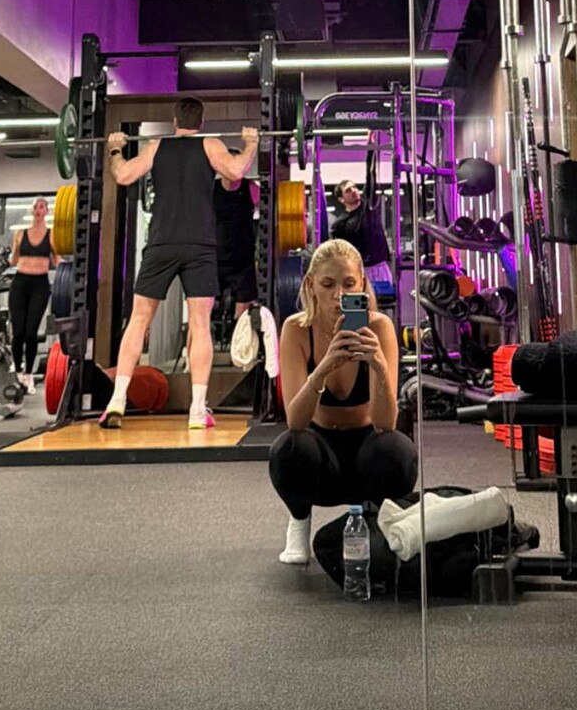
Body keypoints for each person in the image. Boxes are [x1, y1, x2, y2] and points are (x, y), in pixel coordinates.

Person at [101, 98, 258, 431]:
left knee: (138, 320)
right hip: (200, 246)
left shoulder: (158, 146)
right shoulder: (210, 145)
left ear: (175, 121)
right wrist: (251, 143)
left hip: (161, 243)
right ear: (201, 122)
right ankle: (197, 410)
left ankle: (117, 400)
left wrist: (115, 149)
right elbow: (236, 171)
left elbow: (124, 175)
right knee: (200, 324)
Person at [268, 236, 418, 566]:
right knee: (289, 448)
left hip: (367, 453)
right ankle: (299, 520)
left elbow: (385, 423)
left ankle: (376, 517)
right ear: (311, 285)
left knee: (396, 450)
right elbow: (295, 420)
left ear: (362, 283)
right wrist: (323, 369)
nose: (339, 295)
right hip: (322, 458)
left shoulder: (379, 327)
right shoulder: (297, 329)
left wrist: (378, 366)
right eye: (328, 284)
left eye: (349, 284)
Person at [8, 196, 57, 390]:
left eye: (42, 207)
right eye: (36, 207)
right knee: (18, 332)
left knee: (31, 332)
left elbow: (57, 260)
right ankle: (17, 371)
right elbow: (13, 259)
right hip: (20, 283)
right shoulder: (20, 234)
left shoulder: (52, 235)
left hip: (40, 285)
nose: (38, 210)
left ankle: (29, 374)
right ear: (32, 210)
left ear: (47, 211)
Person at [213, 165, 259, 318]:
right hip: (215, 260)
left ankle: (239, 331)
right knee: (204, 308)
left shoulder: (251, 188)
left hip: (242, 262)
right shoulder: (211, 189)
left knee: (244, 314)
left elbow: (272, 207)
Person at [330, 178, 390, 270]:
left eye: (354, 187)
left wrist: (370, 169)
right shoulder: (339, 225)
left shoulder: (370, 209)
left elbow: (370, 184)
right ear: (341, 199)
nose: (353, 191)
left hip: (379, 266)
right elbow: (340, 252)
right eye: (348, 190)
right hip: (357, 269)